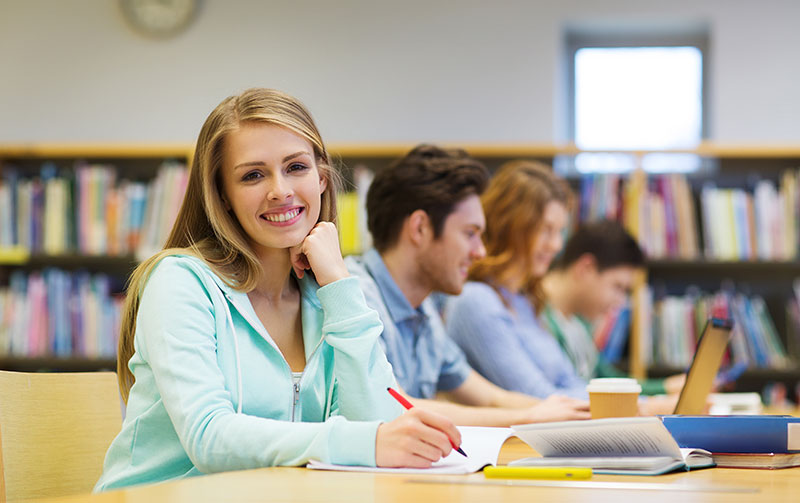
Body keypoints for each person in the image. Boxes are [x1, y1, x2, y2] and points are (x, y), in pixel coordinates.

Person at [95, 89, 461, 491]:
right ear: (222, 196)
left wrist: (339, 285)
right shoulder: (179, 281)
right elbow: (208, 437)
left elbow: (376, 425)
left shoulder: (323, 298)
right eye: (253, 175)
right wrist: (365, 442)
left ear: (321, 179)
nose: (280, 190)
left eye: (296, 167)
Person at [346, 146, 589, 427]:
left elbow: (490, 398)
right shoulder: (355, 297)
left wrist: (567, 412)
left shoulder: (423, 310)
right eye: (470, 234)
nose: (480, 252)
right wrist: (529, 416)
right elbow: (391, 404)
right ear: (420, 228)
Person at [445, 160, 589, 399]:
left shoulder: (525, 300)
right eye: (546, 230)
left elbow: (570, 381)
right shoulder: (476, 301)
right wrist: (636, 408)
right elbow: (537, 397)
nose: (556, 245)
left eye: (559, 232)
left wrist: (641, 405)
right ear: (512, 226)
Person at [541, 220, 685, 396]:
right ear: (586, 269)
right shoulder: (537, 318)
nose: (620, 302)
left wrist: (666, 388)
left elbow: (605, 378)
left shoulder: (577, 322)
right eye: (618, 287)